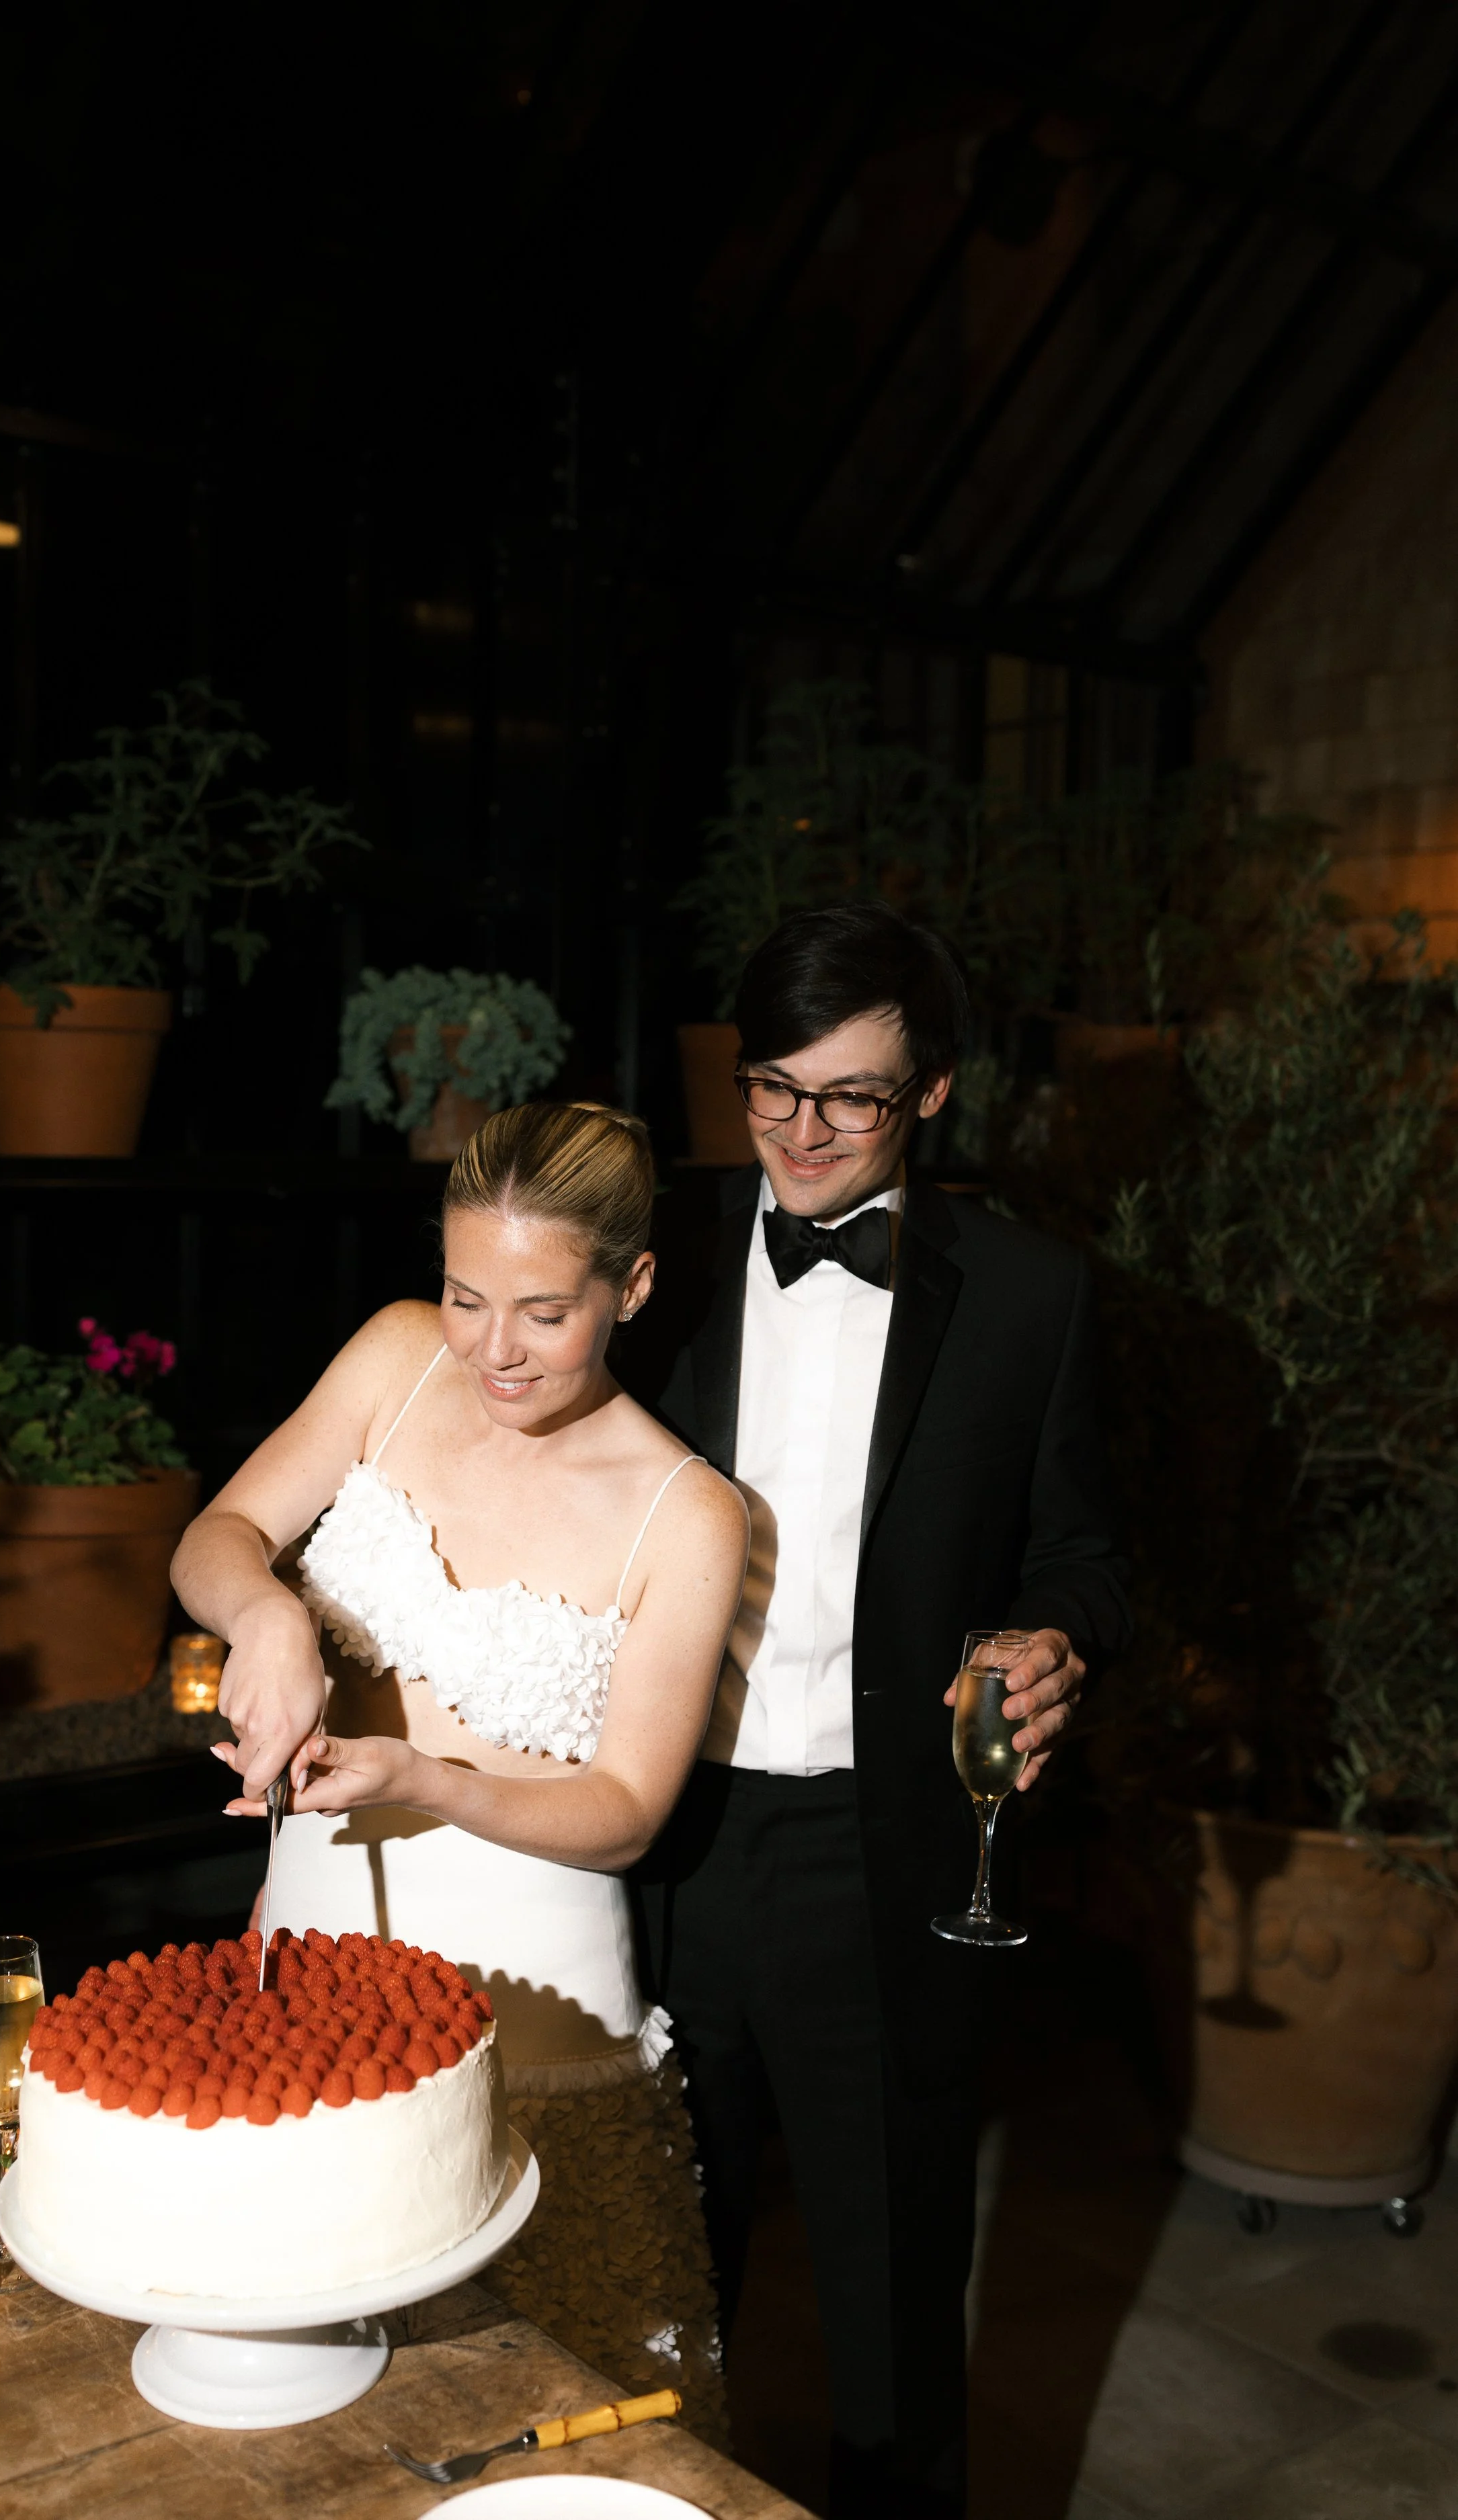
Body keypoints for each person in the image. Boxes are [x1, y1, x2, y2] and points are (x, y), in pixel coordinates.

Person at [635, 902, 1131, 2519]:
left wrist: (1054, 1636)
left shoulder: (1032, 1297)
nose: (796, 1131)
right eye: (769, 1085)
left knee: (893, 2315)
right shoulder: (666, 1254)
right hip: (656, 1841)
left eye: (847, 1096)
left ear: (929, 1097)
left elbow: (1080, 1552)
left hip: (886, 1855)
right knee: (643, 2285)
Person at [171, 1101, 748, 2421]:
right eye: (462, 1295)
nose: (492, 1349)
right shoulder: (391, 1359)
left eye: (541, 1313)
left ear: (632, 1288)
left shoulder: (686, 1513)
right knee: (298, 2399)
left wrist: (421, 1778)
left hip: (537, 2014)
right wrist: (262, 1611)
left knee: (541, 2413)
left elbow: (624, 1815)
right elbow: (216, 1532)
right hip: (312, 1951)